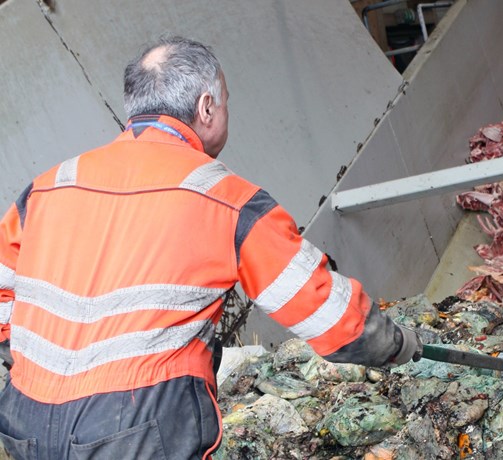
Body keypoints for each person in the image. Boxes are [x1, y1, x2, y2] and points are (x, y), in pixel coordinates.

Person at [0, 36, 422, 459]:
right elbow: (325, 312)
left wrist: (35, 369)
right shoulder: (225, 198)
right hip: (135, 433)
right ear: (206, 108)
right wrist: (398, 344)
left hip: (24, 422)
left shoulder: (48, 187)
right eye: (225, 102)